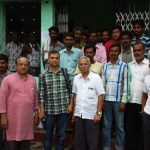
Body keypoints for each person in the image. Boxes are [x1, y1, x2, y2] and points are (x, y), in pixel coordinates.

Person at [0, 56, 39, 150]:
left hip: (27, 120)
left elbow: (35, 97)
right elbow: (2, 99)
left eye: (26, 65)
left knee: (25, 145)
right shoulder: (7, 79)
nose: (23, 67)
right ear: (16, 66)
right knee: (11, 145)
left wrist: (36, 113)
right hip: (12, 119)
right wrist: (3, 116)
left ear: (28, 67)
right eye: (20, 64)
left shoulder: (32, 80)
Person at [38, 50, 73, 150]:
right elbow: (41, 94)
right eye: (52, 58)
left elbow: (71, 91)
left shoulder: (65, 72)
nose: (54, 60)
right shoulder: (43, 75)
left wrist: (70, 105)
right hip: (49, 111)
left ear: (59, 59)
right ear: (48, 59)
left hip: (63, 110)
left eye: (56, 58)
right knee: (48, 135)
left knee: (61, 135)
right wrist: (42, 110)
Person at [72, 56, 105, 150]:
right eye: (81, 64)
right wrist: (74, 113)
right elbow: (75, 95)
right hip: (79, 114)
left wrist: (98, 113)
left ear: (90, 65)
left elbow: (100, 96)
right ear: (78, 66)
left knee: (92, 143)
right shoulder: (76, 78)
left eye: (85, 64)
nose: (83, 66)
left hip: (91, 115)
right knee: (79, 143)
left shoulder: (96, 78)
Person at [102, 43, 129, 150]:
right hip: (107, 101)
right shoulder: (105, 66)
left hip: (118, 101)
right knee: (106, 127)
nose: (113, 53)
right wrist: (102, 100)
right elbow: (103, 84)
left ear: (119, 52)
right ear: (109, 52)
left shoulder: (124, 66)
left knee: (120, 127)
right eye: (111, 51)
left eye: (115, 51)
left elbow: (126, 84)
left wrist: (123, 101)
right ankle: (106, 147)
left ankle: (119, 147)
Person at [125, 42, 150, 150]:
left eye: (139, 50)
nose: (137, 52)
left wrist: (144, 107)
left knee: (142, 131)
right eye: (135, 50)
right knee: (130, 130)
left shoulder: (149, 65)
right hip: (130, 102)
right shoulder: (129, 65)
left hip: (144, 104)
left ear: (144, 51)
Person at [0, 54, 9, 150]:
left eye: (3, 63)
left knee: (8, 137)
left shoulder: (13, 76)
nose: (1, 65)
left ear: (7, 64)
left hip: (9, 110)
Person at [142, 75, 150, 150]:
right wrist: (143, 109)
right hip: (147, 113)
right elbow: (144, 95)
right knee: (147, 139)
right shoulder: (147, 78)